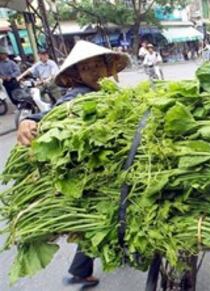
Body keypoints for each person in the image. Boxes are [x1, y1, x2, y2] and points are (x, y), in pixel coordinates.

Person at [17, 40, 130, 288]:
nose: (94, 71)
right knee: (105, 216)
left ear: (107, 66)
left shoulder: (103, 92)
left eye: (98, 65)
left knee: (99, 218)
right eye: (86, 68)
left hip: (102, 168)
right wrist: (29, 121)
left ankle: (81, 268)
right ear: (76, 75)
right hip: (91, 172)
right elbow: (52, 113)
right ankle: (87, 265)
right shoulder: (78, 96)